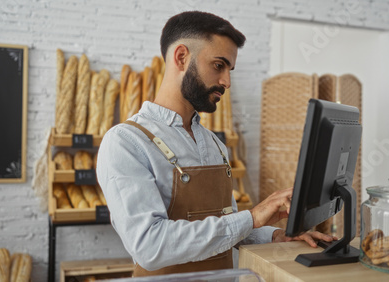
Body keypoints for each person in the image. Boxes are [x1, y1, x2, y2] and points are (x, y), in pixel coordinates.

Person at [96, 11, 335, 277]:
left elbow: (226, 231)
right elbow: (150, 246)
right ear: (181, 57)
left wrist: (275, 234)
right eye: (218, 65)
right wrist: (253, 217)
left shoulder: (214, 145)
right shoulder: (127, 142)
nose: (227, 82)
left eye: (229, 70)